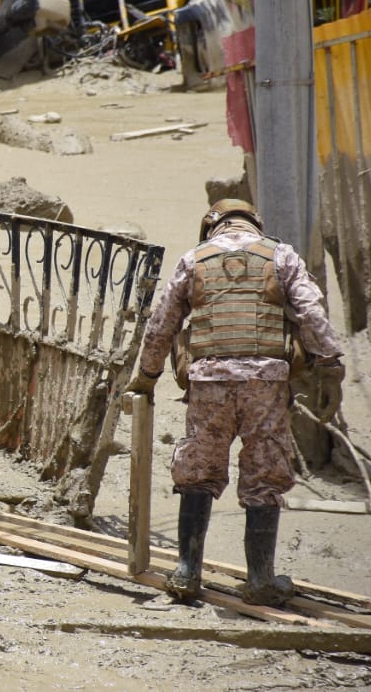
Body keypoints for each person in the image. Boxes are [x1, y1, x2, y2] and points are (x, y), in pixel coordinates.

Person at [126, 198, 345, 606]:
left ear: (213, 226)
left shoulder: (194, 259)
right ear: (254, 224)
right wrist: (331, 367)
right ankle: (260, 580)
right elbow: (312, 313)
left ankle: (187, 572)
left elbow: (162, 324)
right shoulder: (281, 256)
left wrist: (147, 375)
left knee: (198, 471)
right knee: (265, 476)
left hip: (208, 383)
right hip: (266, 385)